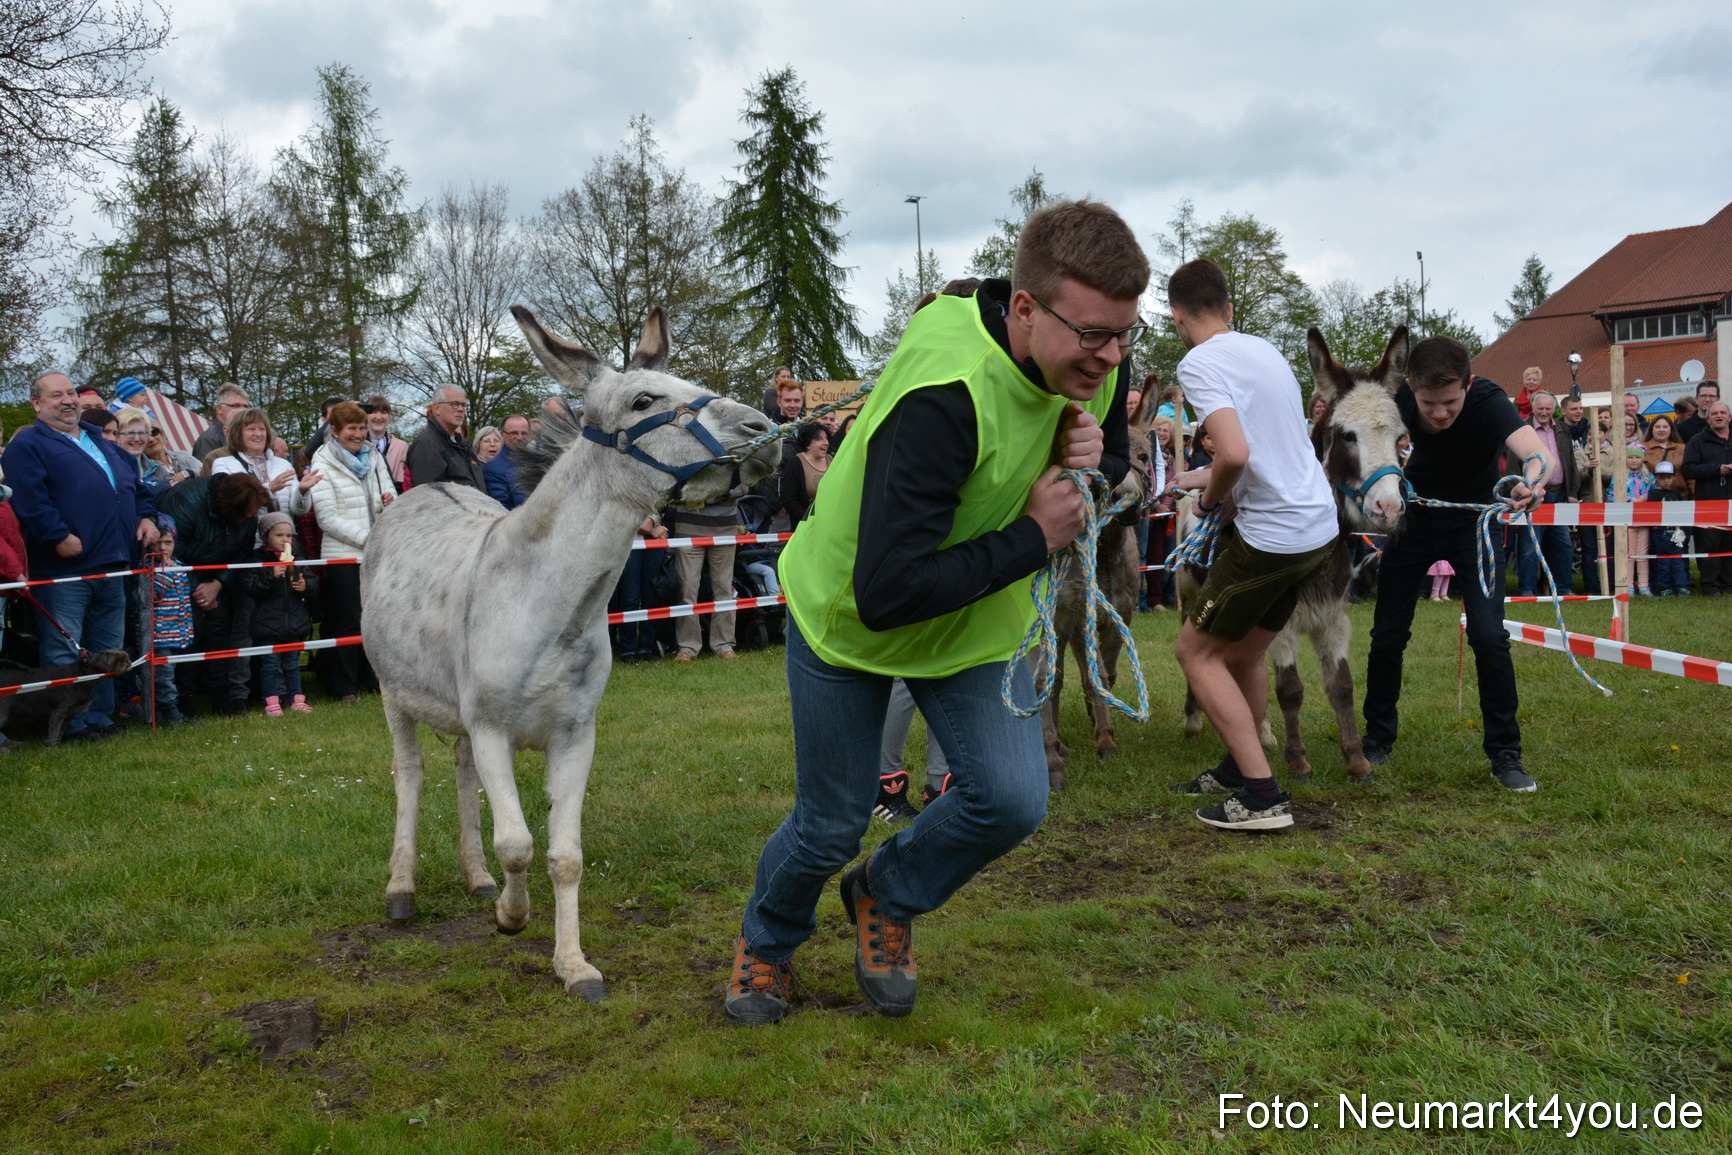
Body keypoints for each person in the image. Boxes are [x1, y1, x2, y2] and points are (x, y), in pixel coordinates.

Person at [726, 199, 1142, 1025]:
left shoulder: (1089, 345)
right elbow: (889, 593)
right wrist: (1033, 535)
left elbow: (1114, 458)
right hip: (852, 612)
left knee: (1013, 798)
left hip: (971, 621)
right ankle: (766, 944)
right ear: (1025, 309)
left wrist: (1092, 457)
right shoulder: (943, 396)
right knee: (832, 821)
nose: (1113, 357)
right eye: (1093, 336)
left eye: (1127, 334)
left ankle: (885, 894)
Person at [1160, 258, 1337, 832]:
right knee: (1242, 652)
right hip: (1317, 527)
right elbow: (1259, 449)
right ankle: (1241, 766)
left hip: (1274, 534)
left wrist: (1208, 501)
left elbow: (1233, 453)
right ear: (1230, 310)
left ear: (1177, 317)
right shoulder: (1264, 350)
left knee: (1196, 651)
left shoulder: (1197, 361)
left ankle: (1262, 795)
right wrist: (1203, 477)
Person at [1362, 336, 1553, 792]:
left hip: (1475, 523)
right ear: (1411, 386)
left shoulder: (1489, 401)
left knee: (1490, 637)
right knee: (1388, 635)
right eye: (1430, 404)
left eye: (1450, 402)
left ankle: (1506, 754)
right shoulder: (1397, 399)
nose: (1440, 413)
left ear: (1468, 384)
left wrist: (1532, 483)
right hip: (1412, 521)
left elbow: (1538, 454)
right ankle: (1376, 740)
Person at [4, 373, 160, 740]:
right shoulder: (29, 444)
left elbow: (138, 490)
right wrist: (57, 535)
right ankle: (66, 725)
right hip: (65, 570)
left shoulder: (99, 441)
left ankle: (99, 718)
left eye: (72, 392)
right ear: (37, 404)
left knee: (108, 651)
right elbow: (27, 499)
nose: (68, 400)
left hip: (115, 564)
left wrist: (149, 518)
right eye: (56, 395)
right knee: (64, 651)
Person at [156, 472, 271, 716]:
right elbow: (174, 551)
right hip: (179, 578)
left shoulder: (247, 513)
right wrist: (198, 590)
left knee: (221, 636)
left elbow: (243, 551)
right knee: (188, 638)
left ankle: (222, 699)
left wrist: (218, 584)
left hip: (220, 579)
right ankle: (183, 702)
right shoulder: (185, 501)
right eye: (250, 513)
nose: (253, 517)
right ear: (232, 508)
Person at [310, 401, 397, 699]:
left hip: (375, 553)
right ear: (335, 431)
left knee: (375, 620)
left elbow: (390, 492)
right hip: (343, 556)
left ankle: (371, 680)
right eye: (352, 428)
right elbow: (327, 519)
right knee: (348, 621)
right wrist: (370, 539)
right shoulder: (321, 463)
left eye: (362, 428)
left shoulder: (373, 456)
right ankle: (343, 686)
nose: (359, 434)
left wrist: (389, 501)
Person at [242, 511, 319, 715]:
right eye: (279, 535)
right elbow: (251, 586)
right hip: (267, 624)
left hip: (293, 622)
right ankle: (271, 701)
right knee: (270, 665)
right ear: (266, 536)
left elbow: (313, 582)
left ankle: (296, 699)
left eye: (288, 535)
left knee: (293, 663)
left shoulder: (298, 558)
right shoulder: (258, 559)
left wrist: (306, 586)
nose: (285, 540)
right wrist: (271, 575)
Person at [670, 481, 746, 662]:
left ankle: (724, 645)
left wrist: (701, 494)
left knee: (724, 590)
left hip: (725, 531)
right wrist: (719, 493)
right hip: (687, 531)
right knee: (687, 590)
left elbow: (741, 488)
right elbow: (677, 490)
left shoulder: (732, 457)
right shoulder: (687, 456)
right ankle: (687, 647)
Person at [1513, 391, 1578, 596]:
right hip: (1532, 494)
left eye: (1548, 408)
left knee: (1563, 545)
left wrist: (1572, 491)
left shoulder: (1562, 429)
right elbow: (1514, 464)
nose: (1544, 412)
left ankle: (1563, 587)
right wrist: (1520, 488)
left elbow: (1570, 460)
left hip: (1559, 495)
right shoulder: (1522, 429)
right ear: (1533, 408)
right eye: (1540, 408)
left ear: (1554, 409)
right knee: (1530, 545)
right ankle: (1527, 589)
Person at [208, 408, 321, 517]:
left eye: (262, 429)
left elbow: (298, 511)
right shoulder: (223, 464)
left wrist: (302, 490)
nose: (258, 434)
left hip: (283, 535)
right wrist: (268, 489)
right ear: (238, 434)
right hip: (249, 535)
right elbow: (228, 505)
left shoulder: (283, 464)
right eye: (251, 429)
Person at [141, 526, 192, 726]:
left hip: (177, 633)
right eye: (158, 542)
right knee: (163, 678)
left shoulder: (178, 564)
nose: (163, 547)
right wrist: (165, 575)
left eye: (168, 542)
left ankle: (168, 712)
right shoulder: (146, 567)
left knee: (168, 675)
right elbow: (149, 597)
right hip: (158, 635)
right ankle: (170, 714)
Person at [1682, 400, 1732, 596]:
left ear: (1729, 417)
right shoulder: (1697, 441)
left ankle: (1728, 584)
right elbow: (1688, 469)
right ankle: (1710, 585)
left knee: (1729, 544)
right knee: (1710, 544)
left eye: (1722, 413)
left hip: (1731, 502)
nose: (1719, 416)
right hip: (1708, 501)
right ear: (1708, 419)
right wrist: (1716, 470)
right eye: (1714, 414)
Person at [1644, 415, 1690, 596]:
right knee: (1662, 561)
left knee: (1679, 559)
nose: (1665, 481)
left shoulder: (1677, 494)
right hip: (1660, 533)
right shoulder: (1653, 494)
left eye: (1668, 477)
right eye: (1662, 477)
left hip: (1676, 532)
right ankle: (1664, 587)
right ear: (1656, 478)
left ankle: (1682, 585)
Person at [405, 386, 484, 490]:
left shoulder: (462, 445)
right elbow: (428, 496)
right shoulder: (427, 445)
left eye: (463, 405)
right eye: (454, 404)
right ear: (437, 408)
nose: (460, 409)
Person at [775, 424, 829, 528]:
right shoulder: (795, 464)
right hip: (807, 525)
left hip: (830, 522)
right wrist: (808, 520)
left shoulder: (832, 460)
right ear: (808, 444)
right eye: (819, 439)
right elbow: (789, 500)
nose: (826, 443)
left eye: (826, 438)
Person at [484, 414, 532, 510]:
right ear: (503, 436)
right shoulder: (493, 468)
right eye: (514, 433)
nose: (519, 437)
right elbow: (501, 508)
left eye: (524, 433)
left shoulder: (536, 462)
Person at [192, 383, 250, 461]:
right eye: (236, 406)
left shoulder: (249, 435)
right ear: (219, 409)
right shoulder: (209, 439)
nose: (242, 411)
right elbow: (204, 471)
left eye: (245, 407)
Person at [363, 395, 410, 488]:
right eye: (373, 412)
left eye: (383, 412)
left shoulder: (402, 448)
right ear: (365, 416)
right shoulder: (357, 445)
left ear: (389, 417)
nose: (379, 417)